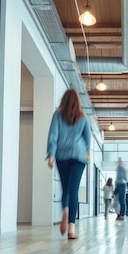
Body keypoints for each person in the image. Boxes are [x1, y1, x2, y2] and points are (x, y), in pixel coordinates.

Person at [46, 89, 91, 240]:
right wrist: (86, 156)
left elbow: (53, 136)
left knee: (65, 189)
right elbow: (87, 140)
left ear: (63, 100)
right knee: (74, 190)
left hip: (61, 156)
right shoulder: (83, 119)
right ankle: (71, 228)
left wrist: (51, 155)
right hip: (78, 157)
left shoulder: (57, 116)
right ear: (78, 102)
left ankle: (65, 209)